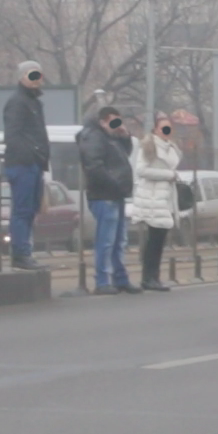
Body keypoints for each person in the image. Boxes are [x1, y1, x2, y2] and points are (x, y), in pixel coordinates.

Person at [78, 105, 137, 295]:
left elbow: (123, 155)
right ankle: (103, 281)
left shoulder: (111, 138)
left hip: (116, 195)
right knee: (107, 241)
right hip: (104, 195)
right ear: (103, 122)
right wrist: (114, 184)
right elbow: (94, 167)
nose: (116, 125)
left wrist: (125, 135)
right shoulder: (94, 137)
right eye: (113, 121)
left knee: (119, 240)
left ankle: (120, 279)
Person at [1, 61, 52, 272]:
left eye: (38, 75)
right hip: (23, 164)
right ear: (21, 77)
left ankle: (25, 251)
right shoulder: (18, 102)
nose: (36, 79)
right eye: (32, 75)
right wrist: (31, 155)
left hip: (33, 163)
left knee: (30, 209)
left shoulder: (33, 102)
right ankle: (20, 253)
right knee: (23, 210)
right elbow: (13, 134)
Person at [129, 113, 181, 292]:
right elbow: (141, 170)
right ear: (156, 130)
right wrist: (169, 175)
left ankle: (154, 276)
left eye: (169, 128)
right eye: (163, 128)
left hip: (163, 198)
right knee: (154, 240)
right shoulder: (149, 146)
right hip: (151, 198)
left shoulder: (171, 148)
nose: (166, 131)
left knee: (159, 240)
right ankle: (148, 277)